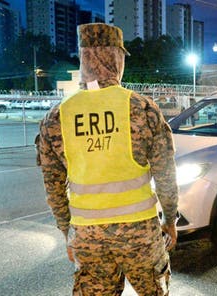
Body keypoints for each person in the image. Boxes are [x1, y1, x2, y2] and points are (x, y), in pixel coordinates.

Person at [37, 23, 179, 295]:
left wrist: (68, 232)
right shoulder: (141, 108)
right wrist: (170, 219)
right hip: (140, 236)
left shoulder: (56, 117)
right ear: (117, 58)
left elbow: (53, 188)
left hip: (88, 237)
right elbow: (165, 175)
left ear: (83, 59)